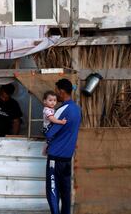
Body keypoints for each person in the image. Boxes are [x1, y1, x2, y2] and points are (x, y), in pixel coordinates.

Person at [44, 79, 81, 214]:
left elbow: (49, 134)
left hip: (55, 157)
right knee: (66, 192)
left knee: (52, 190)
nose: (55, 95)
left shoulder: (62, 110)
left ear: (62, 91)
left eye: (56, 91)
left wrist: (44, 129)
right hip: (67, 158)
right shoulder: (77, 109)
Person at [41, 90, 67, 156]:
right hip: (47, 128)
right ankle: (44, 151)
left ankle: (47, 151)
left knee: (51, 140)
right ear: (44, 101)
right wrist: (61, 122)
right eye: (50, 100)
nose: (53, 102)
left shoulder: (52, 109)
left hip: (50, 127)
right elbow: (52, 119)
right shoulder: (47, 110)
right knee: (50, 140)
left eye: (54, 100)